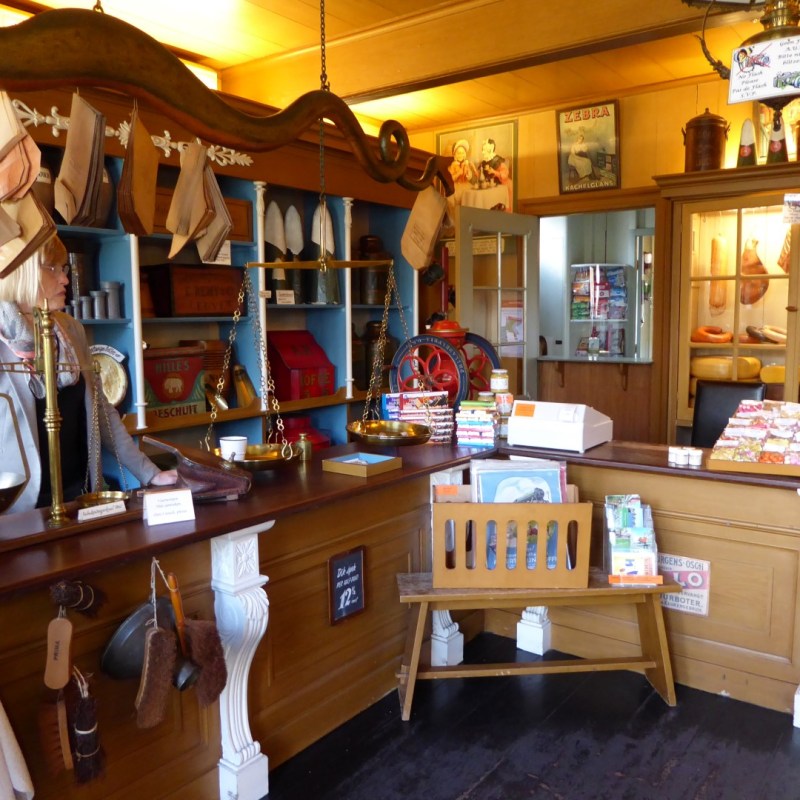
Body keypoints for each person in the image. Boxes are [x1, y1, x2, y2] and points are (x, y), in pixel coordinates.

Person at [0, 235, 177, 513]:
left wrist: (150, 473)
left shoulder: (71, 330)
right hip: (17, 510)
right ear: (24, 270)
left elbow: (101, 411)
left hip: (78, 495)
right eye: (54, 269)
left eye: (64, 269)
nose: (65, 280)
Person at [477, 138, 512, 209]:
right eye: (482, 149)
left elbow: (505, 174)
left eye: (485, 149)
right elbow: (479, 176)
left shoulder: (497, 160)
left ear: (491, 148)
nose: (483, 152)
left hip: (502, 186)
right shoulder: (484, 162)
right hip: (489, 189)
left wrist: (494, 172)